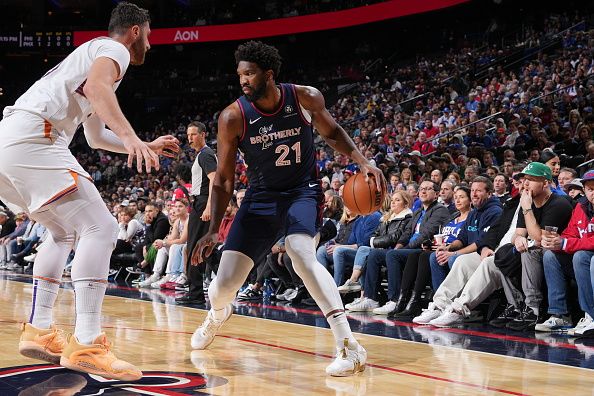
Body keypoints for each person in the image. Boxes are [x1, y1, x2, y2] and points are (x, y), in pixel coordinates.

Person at [3, 3, 179, 380]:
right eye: (148, 34)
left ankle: (39, 329)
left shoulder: (91, 61)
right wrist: (132, 137)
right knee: (101, 227)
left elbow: (96, 136)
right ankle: (87, 342)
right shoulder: (113, 51)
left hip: (11, 142)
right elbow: (99, 89)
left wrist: (142, 143)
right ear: (134, 31)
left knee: (63, 232)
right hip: (36, 135)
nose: (150, 42)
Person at [190, 41, 385, 376]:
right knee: (222, 288)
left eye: (249, 73)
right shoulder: (232, 117)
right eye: (240, 75)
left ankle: (350, 346)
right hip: (259, 199)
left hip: (302, 193)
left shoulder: (305, 97)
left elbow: (333, 132)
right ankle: (219, 313)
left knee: (299, 252)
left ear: (269, 74)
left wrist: (362, 161)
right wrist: (211, 229)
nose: (243, 81)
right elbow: (222, 180)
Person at [177, 121, 217, 305]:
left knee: (194, 247)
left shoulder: (206, 154)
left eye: (193, 134)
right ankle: (200, 289)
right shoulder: (202, 155)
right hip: (199, 202)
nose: (190, 138)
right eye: (188, 135)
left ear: (203, 134)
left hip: (203, 204)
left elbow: (214, 181)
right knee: (202, 248)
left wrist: (209, 206)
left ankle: (195, 294)